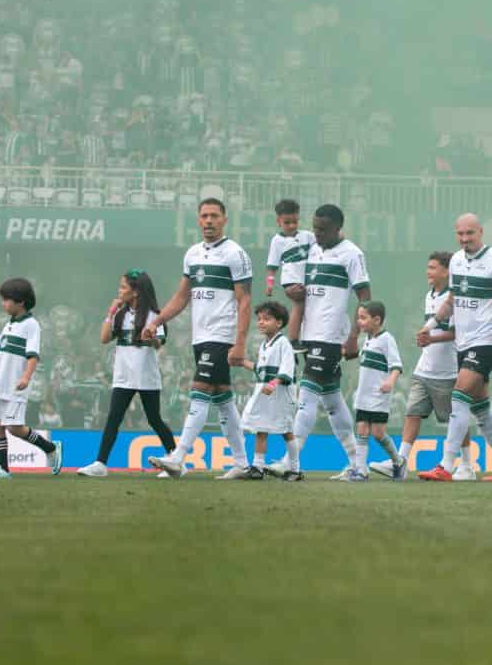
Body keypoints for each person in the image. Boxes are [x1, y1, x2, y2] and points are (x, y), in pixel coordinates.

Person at [145, 197, 254, 478]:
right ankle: (242, 464)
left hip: (222, 335)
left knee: (200, 389)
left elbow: (244, 301)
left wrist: (240, 342)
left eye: (214, 216)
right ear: (198, 219)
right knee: (222, 398)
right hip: (200, 336)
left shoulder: (235, 254)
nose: (209, 221)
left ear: (224, 220)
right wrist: (157, 320)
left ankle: (178, 457)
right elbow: (182, 297)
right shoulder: (192, 254)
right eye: (204, 216)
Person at [289, 204, 373, 482]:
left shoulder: (352, 254)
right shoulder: (312, 251)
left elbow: (366, 299)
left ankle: (292, 461)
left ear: (338, 228)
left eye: (322, 229)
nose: (317, 233)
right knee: (333, 402)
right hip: (311, 335)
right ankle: (357, 465)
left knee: (307, 394)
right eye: (314, 228)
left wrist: (353, 337)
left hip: (331, 335)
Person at [435, 214, 492, 481]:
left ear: (480, 232)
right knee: (480, 406)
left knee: (458, 396)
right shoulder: (457, 261)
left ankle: (446, 466)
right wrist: (432, 323)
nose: (464, 239)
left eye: (470, 233)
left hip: (486, 340)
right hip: (464, 341)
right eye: (460, 234)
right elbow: (452, 298)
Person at [84, 269, 182, 479]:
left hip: (146, 377)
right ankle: (100, 463)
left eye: (123, 287)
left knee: (154, 419)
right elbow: (104, 338)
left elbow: (159, 345)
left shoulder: (155, 316)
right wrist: (110, 313)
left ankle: (175, 461)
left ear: (135, 292)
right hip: (123, 377)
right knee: (113, 418)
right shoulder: (120, 315)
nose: (119, 291)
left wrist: (151, 337)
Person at [0, 277, 62, 479]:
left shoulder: (31, 325)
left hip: (15, 385)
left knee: (14, 428)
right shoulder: (8, 325)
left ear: (21, 301)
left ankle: (50, 448)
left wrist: (26, 377)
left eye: (7, 299)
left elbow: (33, 355)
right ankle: (3, 469)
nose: (3, 304)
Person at [408, 251, 475, 481]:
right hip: (424, 367)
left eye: (433, 267)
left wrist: (431, 338)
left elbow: (457, 332)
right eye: (428, 267)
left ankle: (466, 465)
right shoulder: (430, 295)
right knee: (412, 412)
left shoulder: (455, 298)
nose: (428, 271)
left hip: (447, 370)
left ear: (447, 272)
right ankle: (400, 461)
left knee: (456, 418)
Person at [240, 301, 298, 479]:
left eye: (266, 319)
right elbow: (261, 369)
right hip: (265, 392)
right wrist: (241, 361)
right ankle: (257, 467)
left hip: (281, 392)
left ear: (279, 323)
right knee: (260, 427)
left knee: (286, 430)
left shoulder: (283, 343)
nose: (261, 322)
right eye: (259, 319)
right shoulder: (265, 345)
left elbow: (287, 370)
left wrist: (273, 384)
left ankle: (295, 469)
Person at [353, 302, 407, 478]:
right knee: (361, 429)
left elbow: (397, 365)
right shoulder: (367, 339)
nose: (359, 321)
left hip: (379, 395)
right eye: (358, 317)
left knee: (378, 434)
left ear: (376, 320)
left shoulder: (386, 339)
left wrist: (390, 381)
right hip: (363, 395)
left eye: (363, 318)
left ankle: (398, 461)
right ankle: (361, 471)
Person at [264, 198, 313, 302]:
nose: (292, 225)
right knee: (299, 303)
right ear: (278, 221)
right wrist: (269, 284)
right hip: (291, 282)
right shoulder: (277, 241)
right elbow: (272, 266)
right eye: (287, 222)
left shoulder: (308, 236)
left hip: (309, 280)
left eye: (295, 222)